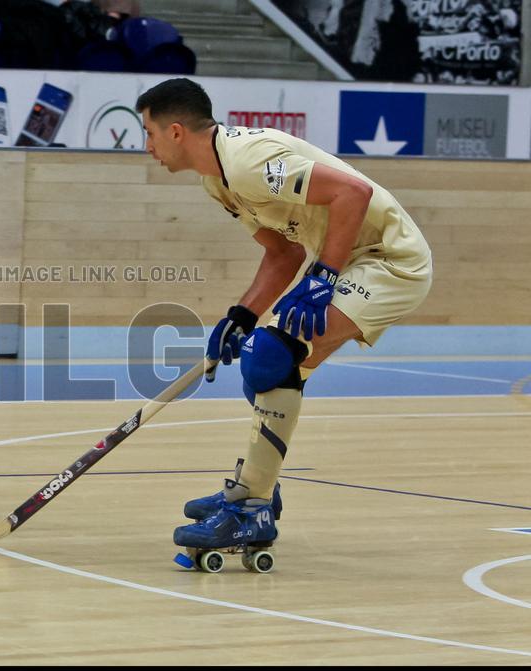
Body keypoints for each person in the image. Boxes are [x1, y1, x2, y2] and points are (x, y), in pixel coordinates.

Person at [134, 79, 432, 559]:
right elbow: (282, 252)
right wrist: (241, 315)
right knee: (266, 372)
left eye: (147, 133)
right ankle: (256, 492)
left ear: (174, 131)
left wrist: (323, 278)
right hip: (345, 261)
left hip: (388, 261)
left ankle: (251, 507)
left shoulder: (249, 161)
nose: (146, 146)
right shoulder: (217, 180)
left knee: (269, 358)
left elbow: (352, 194)